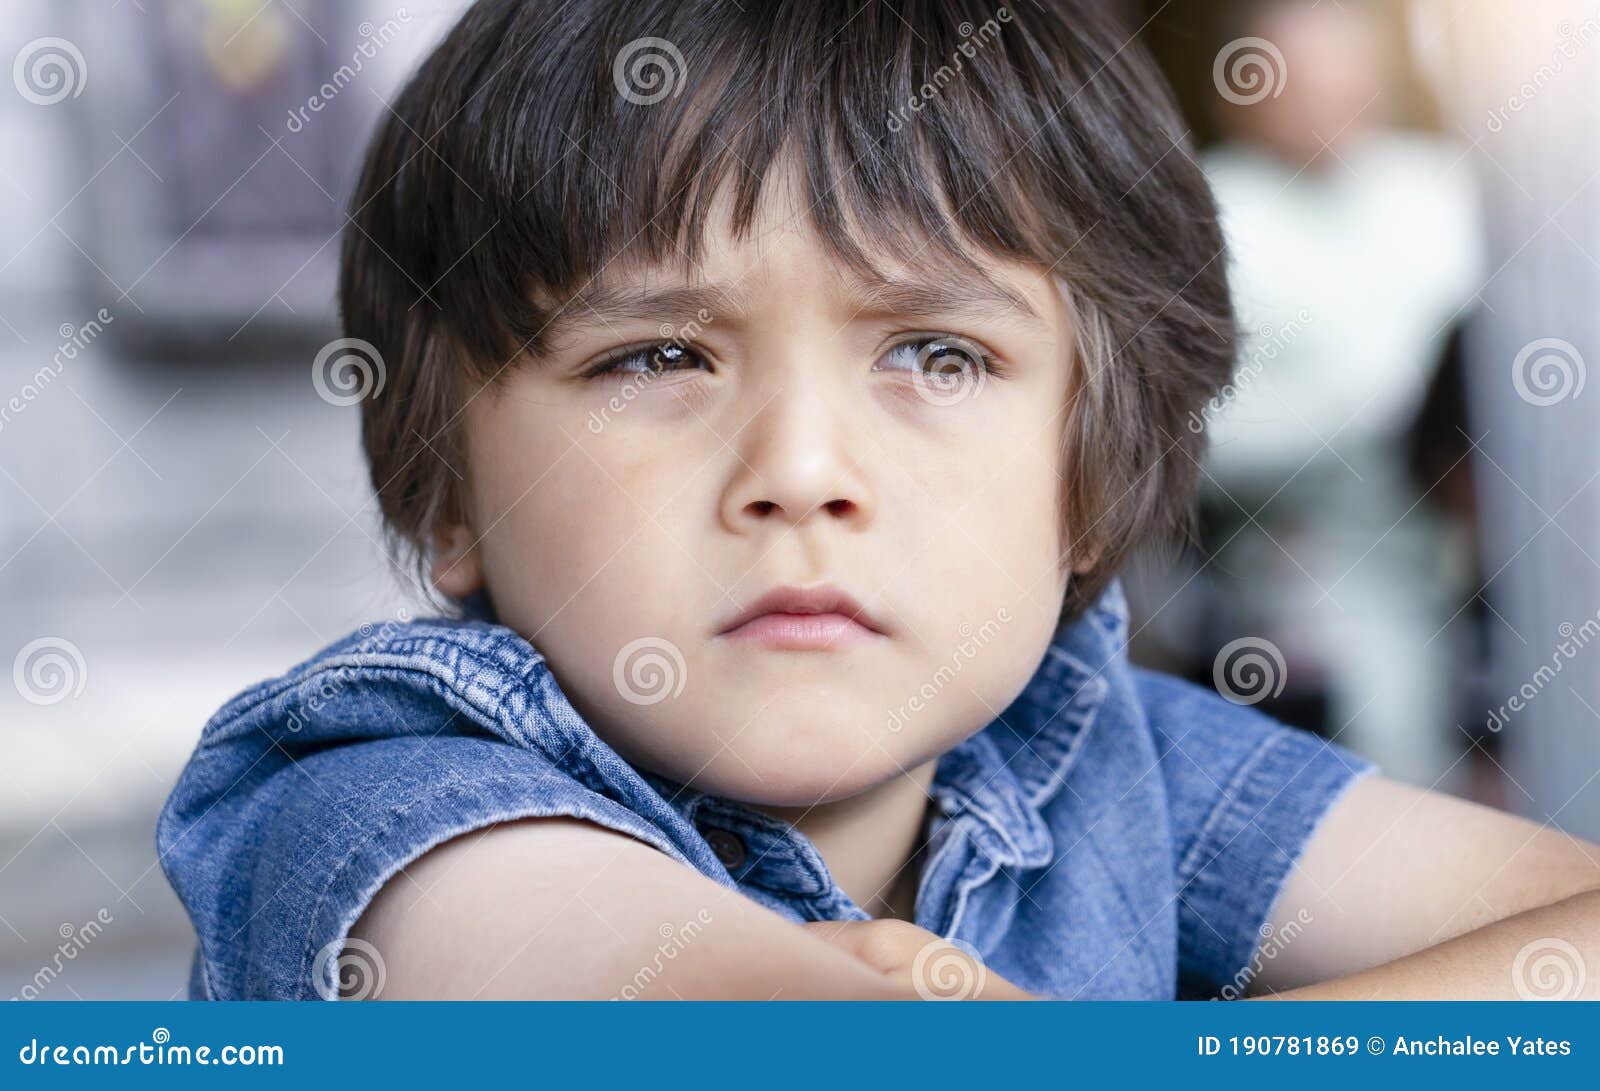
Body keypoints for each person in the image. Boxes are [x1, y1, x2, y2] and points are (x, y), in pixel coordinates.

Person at [156, 0, 1599, 1001]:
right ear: (450, 487)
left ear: (1088, 478)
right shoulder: (374, 791)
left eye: (935, 354)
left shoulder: (1107, 758)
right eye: (659, 354)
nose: (800, 473)